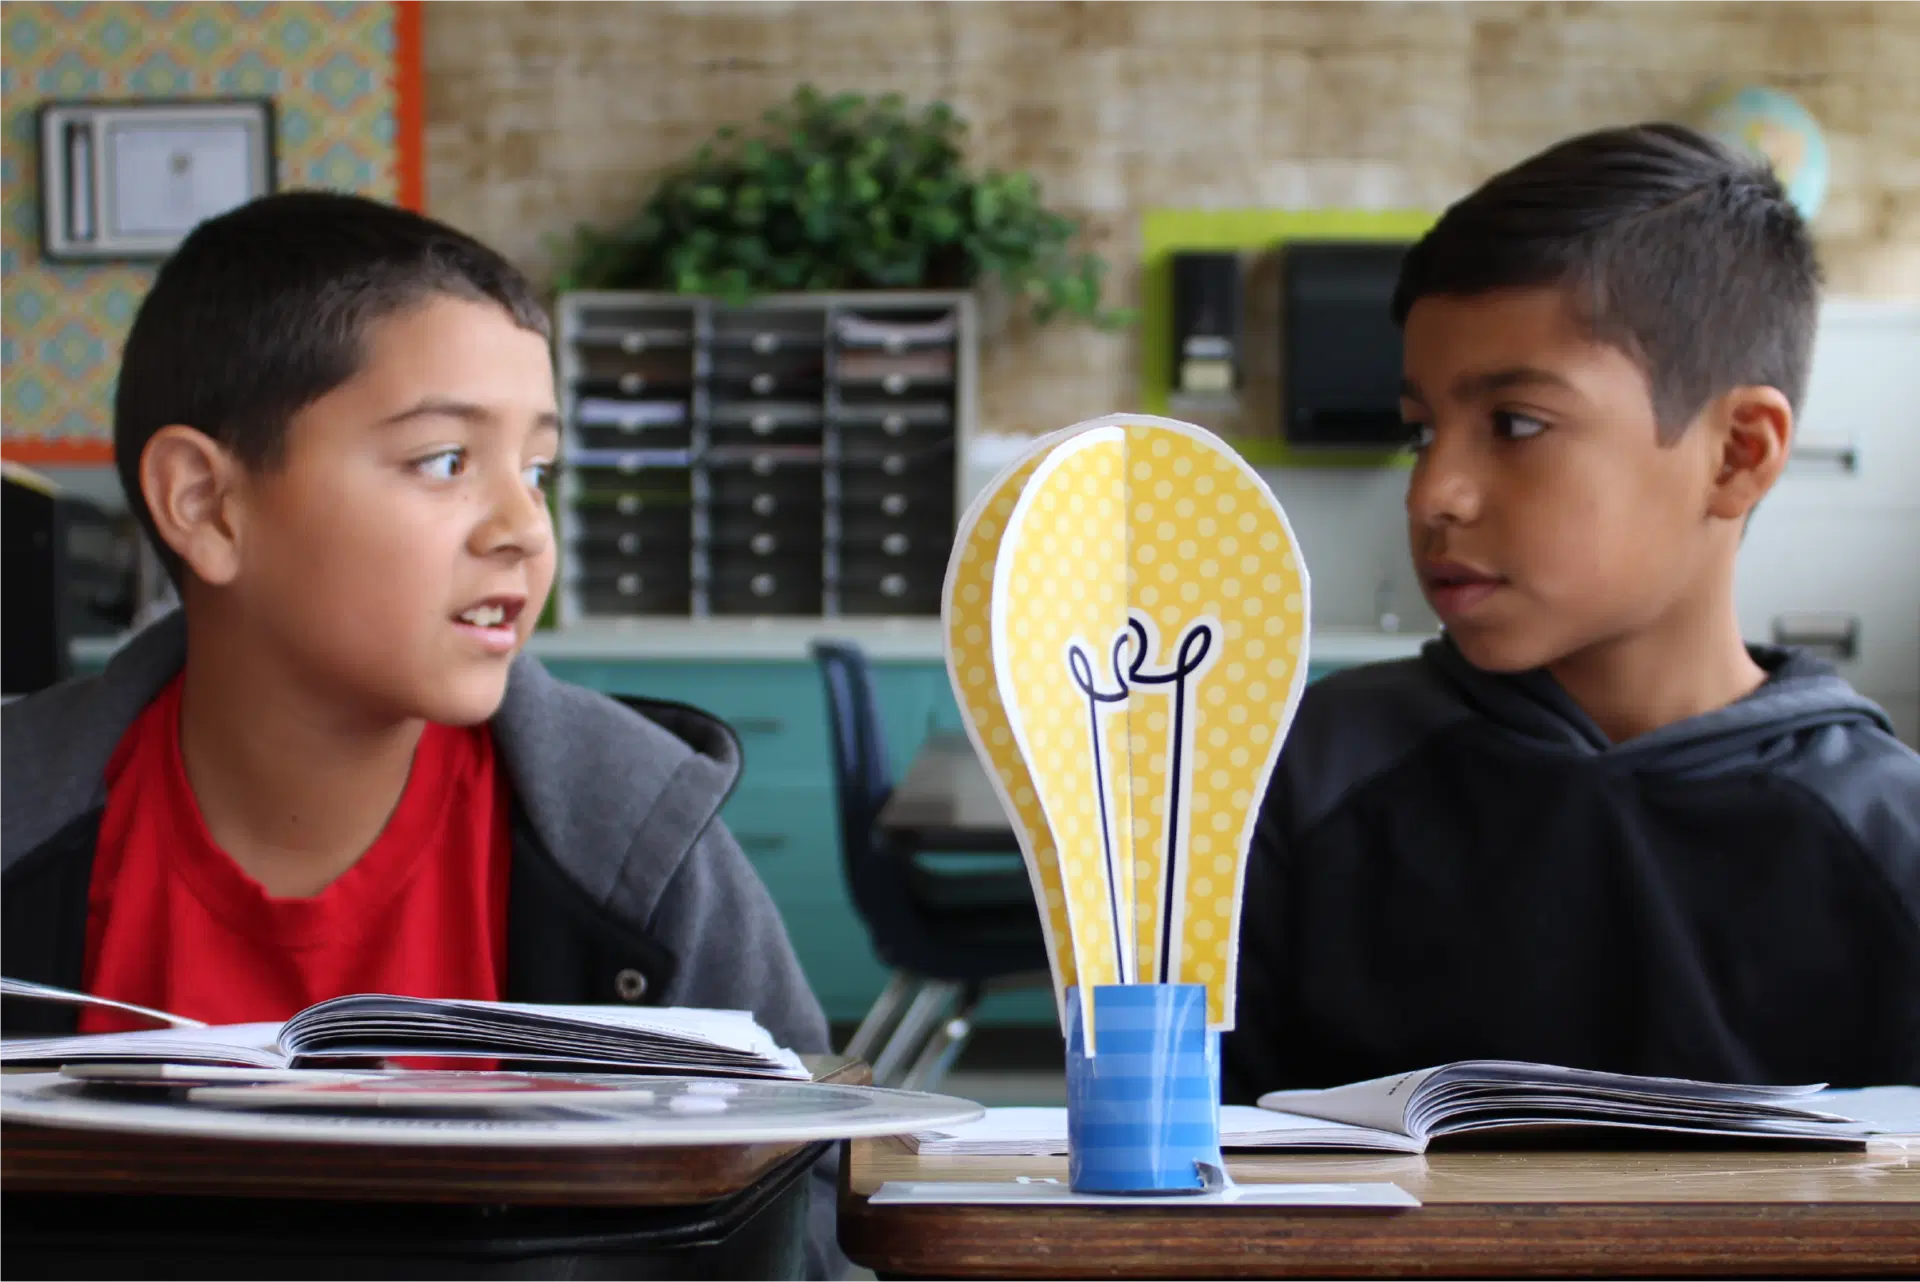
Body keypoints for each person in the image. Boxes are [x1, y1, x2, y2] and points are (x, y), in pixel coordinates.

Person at [0, 191, 845, 1279]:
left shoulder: (639, 850)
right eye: (445, 460)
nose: (523, 529)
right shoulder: (23, 825)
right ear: (206, 504)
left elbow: (805, 1211)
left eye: (536, 469)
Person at [1225, 122, 1920, 1102]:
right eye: (1422, 430)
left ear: (1737, 454)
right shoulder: (1307, 772)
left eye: (1515, 423)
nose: (1434, 493)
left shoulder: (1890, 840)